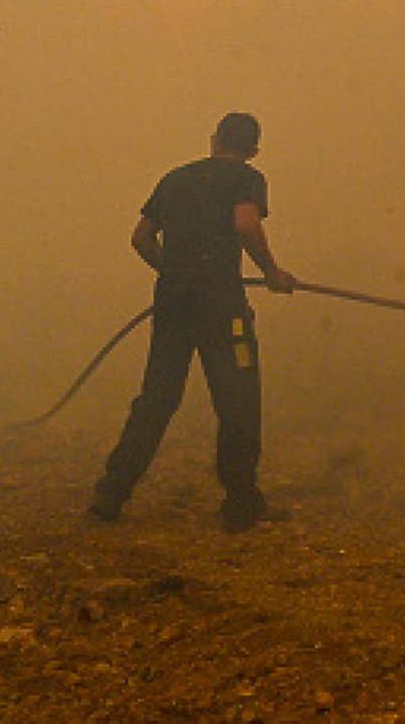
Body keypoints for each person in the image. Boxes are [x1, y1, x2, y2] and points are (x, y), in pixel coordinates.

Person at [88, 113, 299, 531]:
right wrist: (273, 273)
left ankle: (108, 497)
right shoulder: (246, 177)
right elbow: (246, 223)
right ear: (253, 150)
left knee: (157, 398)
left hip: (172, 301)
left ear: (214, 139)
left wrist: (174, 272)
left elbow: (140, 238)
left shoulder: (175, 179)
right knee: (237, 398)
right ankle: (241, 507)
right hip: (222, 303)